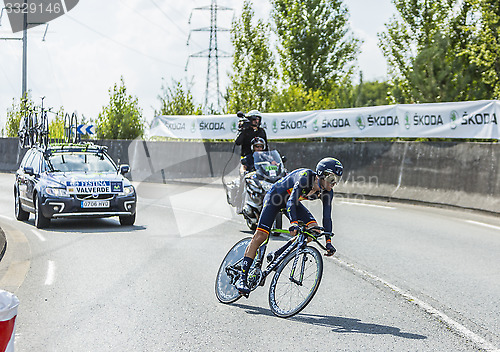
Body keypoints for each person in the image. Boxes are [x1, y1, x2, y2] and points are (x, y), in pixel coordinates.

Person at [235, 157, 343, 295]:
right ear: (321, 174)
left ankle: (277, 254)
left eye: (337, 179)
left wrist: (328, 242)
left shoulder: (327, 191)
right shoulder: (306, 177)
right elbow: (291, 200)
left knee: (313, 231)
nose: (334, 183)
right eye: (332, 178)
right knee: (261, 235)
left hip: (292, 203)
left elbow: (327, 217)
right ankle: (242, 278)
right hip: (275, 198)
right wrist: (294, 223)